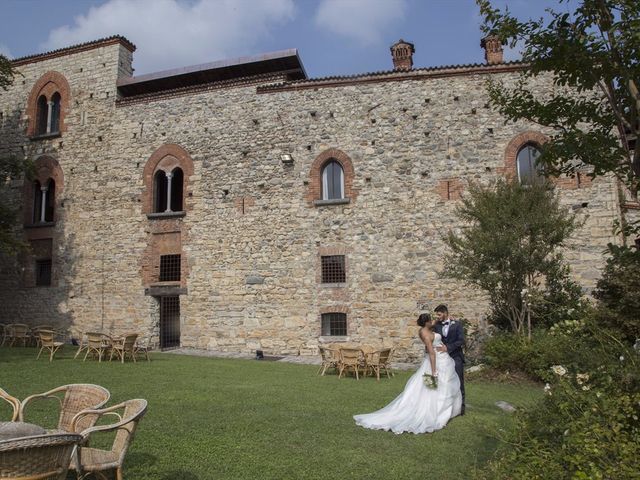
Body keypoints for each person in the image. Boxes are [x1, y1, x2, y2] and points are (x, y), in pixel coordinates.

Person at [353, 313, 462, 434]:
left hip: (443, 359)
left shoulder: (427, 328)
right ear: (426, 322)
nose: (432, 321)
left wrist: (447, 319)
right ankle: (433, 412)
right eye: (430, 320)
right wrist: (434, 370)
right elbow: (431, 353)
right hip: (433, 362)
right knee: (430, 388)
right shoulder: (425, 334)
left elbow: (436, 323)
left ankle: (446, 410)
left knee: (444, 385)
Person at [433, 304, 465, 415]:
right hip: (442, 358)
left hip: (456, 356)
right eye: (436, 314)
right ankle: (445, 408)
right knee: (444, 381)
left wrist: (448, 347)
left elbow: (461, 340)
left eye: (439, 314)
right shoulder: (436, 325)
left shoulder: (457, 324)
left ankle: (461, 408)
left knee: (459, 380)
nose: (437, 316)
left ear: (445, 313)